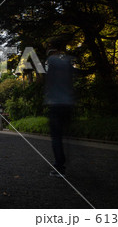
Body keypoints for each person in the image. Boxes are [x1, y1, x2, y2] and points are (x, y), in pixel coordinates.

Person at [44, 41, 75, 178]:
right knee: (66, 134)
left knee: (56, 137)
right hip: (68, 103)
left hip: (55, 104)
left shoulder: (51, 60)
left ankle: (59, 166)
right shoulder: (67, 61)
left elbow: (48, 82)